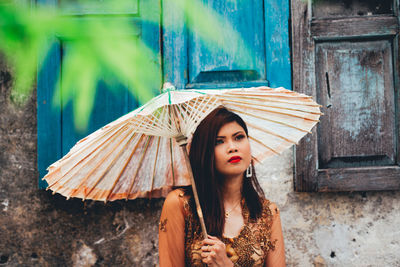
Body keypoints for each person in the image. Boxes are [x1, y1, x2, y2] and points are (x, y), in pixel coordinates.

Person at [158, 107, 286, 267]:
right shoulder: (181, 204)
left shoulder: (267, 213)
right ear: (204, 153)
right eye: (219, 141)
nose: (233, 147)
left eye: (239, 137)